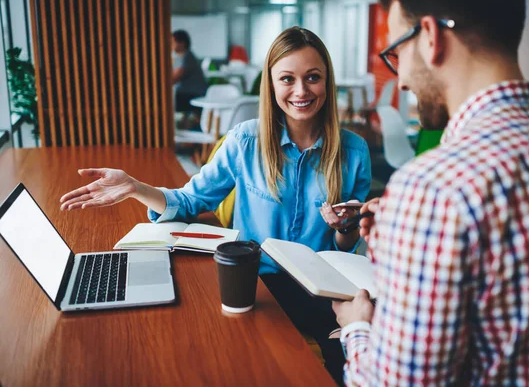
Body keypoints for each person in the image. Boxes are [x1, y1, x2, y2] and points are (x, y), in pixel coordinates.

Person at [60, 26, 372, 385]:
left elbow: (349, 245)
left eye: (313, 78)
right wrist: (135, 187)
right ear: (271, 85)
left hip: (323, 293)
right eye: (287, 79)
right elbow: (191, 200)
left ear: (327, 82)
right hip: (257, 287)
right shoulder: (245, 140)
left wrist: (346, 228)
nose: (301, 91)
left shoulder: (354, 152)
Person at [332, 0, 529, 385]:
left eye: (396, 54)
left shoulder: (433, 190)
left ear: (430, 37)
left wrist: (358, 328)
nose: (401, 79)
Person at [172, 30, 208, 129]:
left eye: (173, 42)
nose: (170, 45)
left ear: (182, 43)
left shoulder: (187, 57)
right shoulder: (180, 57)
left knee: (165, 103)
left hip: (193, 95)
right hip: (186, 94)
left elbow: (174, 78)